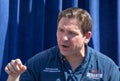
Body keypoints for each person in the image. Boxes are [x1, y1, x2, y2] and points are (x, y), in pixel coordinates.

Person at [5, 7, 120, 81]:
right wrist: (14, 77)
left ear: (87, 37)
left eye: (71, 33)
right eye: (61, 30)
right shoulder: (38, 64)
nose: (64, 38)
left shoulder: (107, 68)